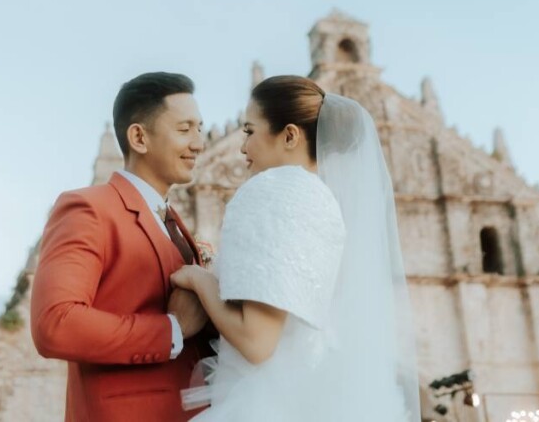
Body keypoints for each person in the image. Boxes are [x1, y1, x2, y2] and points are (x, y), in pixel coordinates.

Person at [172, 75, 420, 420]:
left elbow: (256, 343)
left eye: (249, 131)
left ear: (289, 135)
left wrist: (200, 280)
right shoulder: (325, 202)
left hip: (262, 404)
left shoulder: (271, 190)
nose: (243, 147)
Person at [30, 72, 214, 422]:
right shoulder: (88, 208)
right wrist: (171, 329)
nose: (198, 143)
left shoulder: (171, 218)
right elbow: (55, 323)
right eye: (184, 129)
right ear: (139, 137)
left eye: (200, 129)